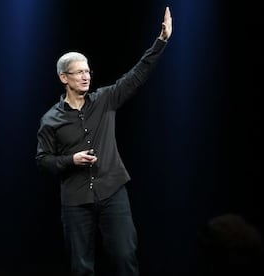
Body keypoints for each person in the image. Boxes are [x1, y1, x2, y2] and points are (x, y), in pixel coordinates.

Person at [35, 6, 172, 276]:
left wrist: (162, 40)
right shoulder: (50, 119)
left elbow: (137, 74)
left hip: (112, 191)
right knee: (81, 266)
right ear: (64, 78)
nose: (86, 76)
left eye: (88, 71)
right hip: (76, 200)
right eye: (78, 72)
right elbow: (43, 161)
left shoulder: (104, 100)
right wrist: (70, 160)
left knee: (124, 256)